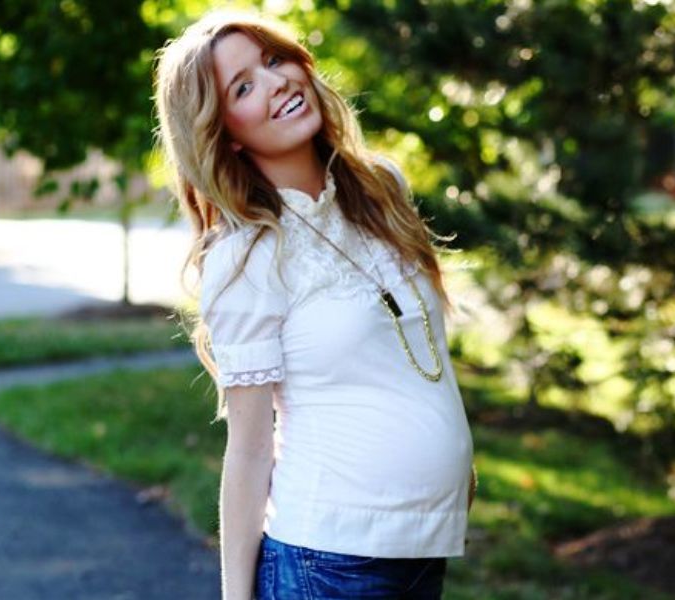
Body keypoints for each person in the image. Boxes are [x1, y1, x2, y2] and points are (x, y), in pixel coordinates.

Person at [153, 9, 477, 600]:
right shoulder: (246, 256)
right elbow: (250, 449)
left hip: (420, 550)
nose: (275, 82)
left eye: (274, 59)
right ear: (225, 133)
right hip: (327, 563)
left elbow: (416, 356)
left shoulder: (381, 190)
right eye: (243, 87)